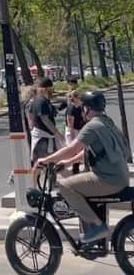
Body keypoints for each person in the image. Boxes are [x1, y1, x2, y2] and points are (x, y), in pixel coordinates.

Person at [35, 89, 129, 246]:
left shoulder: (92, 126)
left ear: (87, 109)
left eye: (83, 107)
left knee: (65, 185)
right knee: (78, 185)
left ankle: (97, 226)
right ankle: (90, 232)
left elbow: (73, 148)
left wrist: (46, 159)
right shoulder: (106, 122)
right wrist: (68, 162)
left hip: (107, 179)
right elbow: (90, 151)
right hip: (119, 176)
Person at [28, 77, 61, 165]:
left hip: (46, 135)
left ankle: (47, 177)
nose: (52, 91)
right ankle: (34, 178)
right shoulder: (40, 101)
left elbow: (30, 114)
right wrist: (57, 133)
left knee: (48, 161)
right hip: (42, 137)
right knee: (40, 163)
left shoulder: (44, 100)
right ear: (46, 89)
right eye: (51, 88)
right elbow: (45, 119)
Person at [65, 89, 85, 175]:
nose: (81, 99)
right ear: (75, 98)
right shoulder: (71, 109)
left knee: (80, 150)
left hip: (79, 129)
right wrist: (73, 137)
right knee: (74, 150)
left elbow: (84, 119)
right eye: (80, 97)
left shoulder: (80, 107)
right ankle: (75, 169)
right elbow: (70, 125)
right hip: (73, 131)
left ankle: (79, 167)